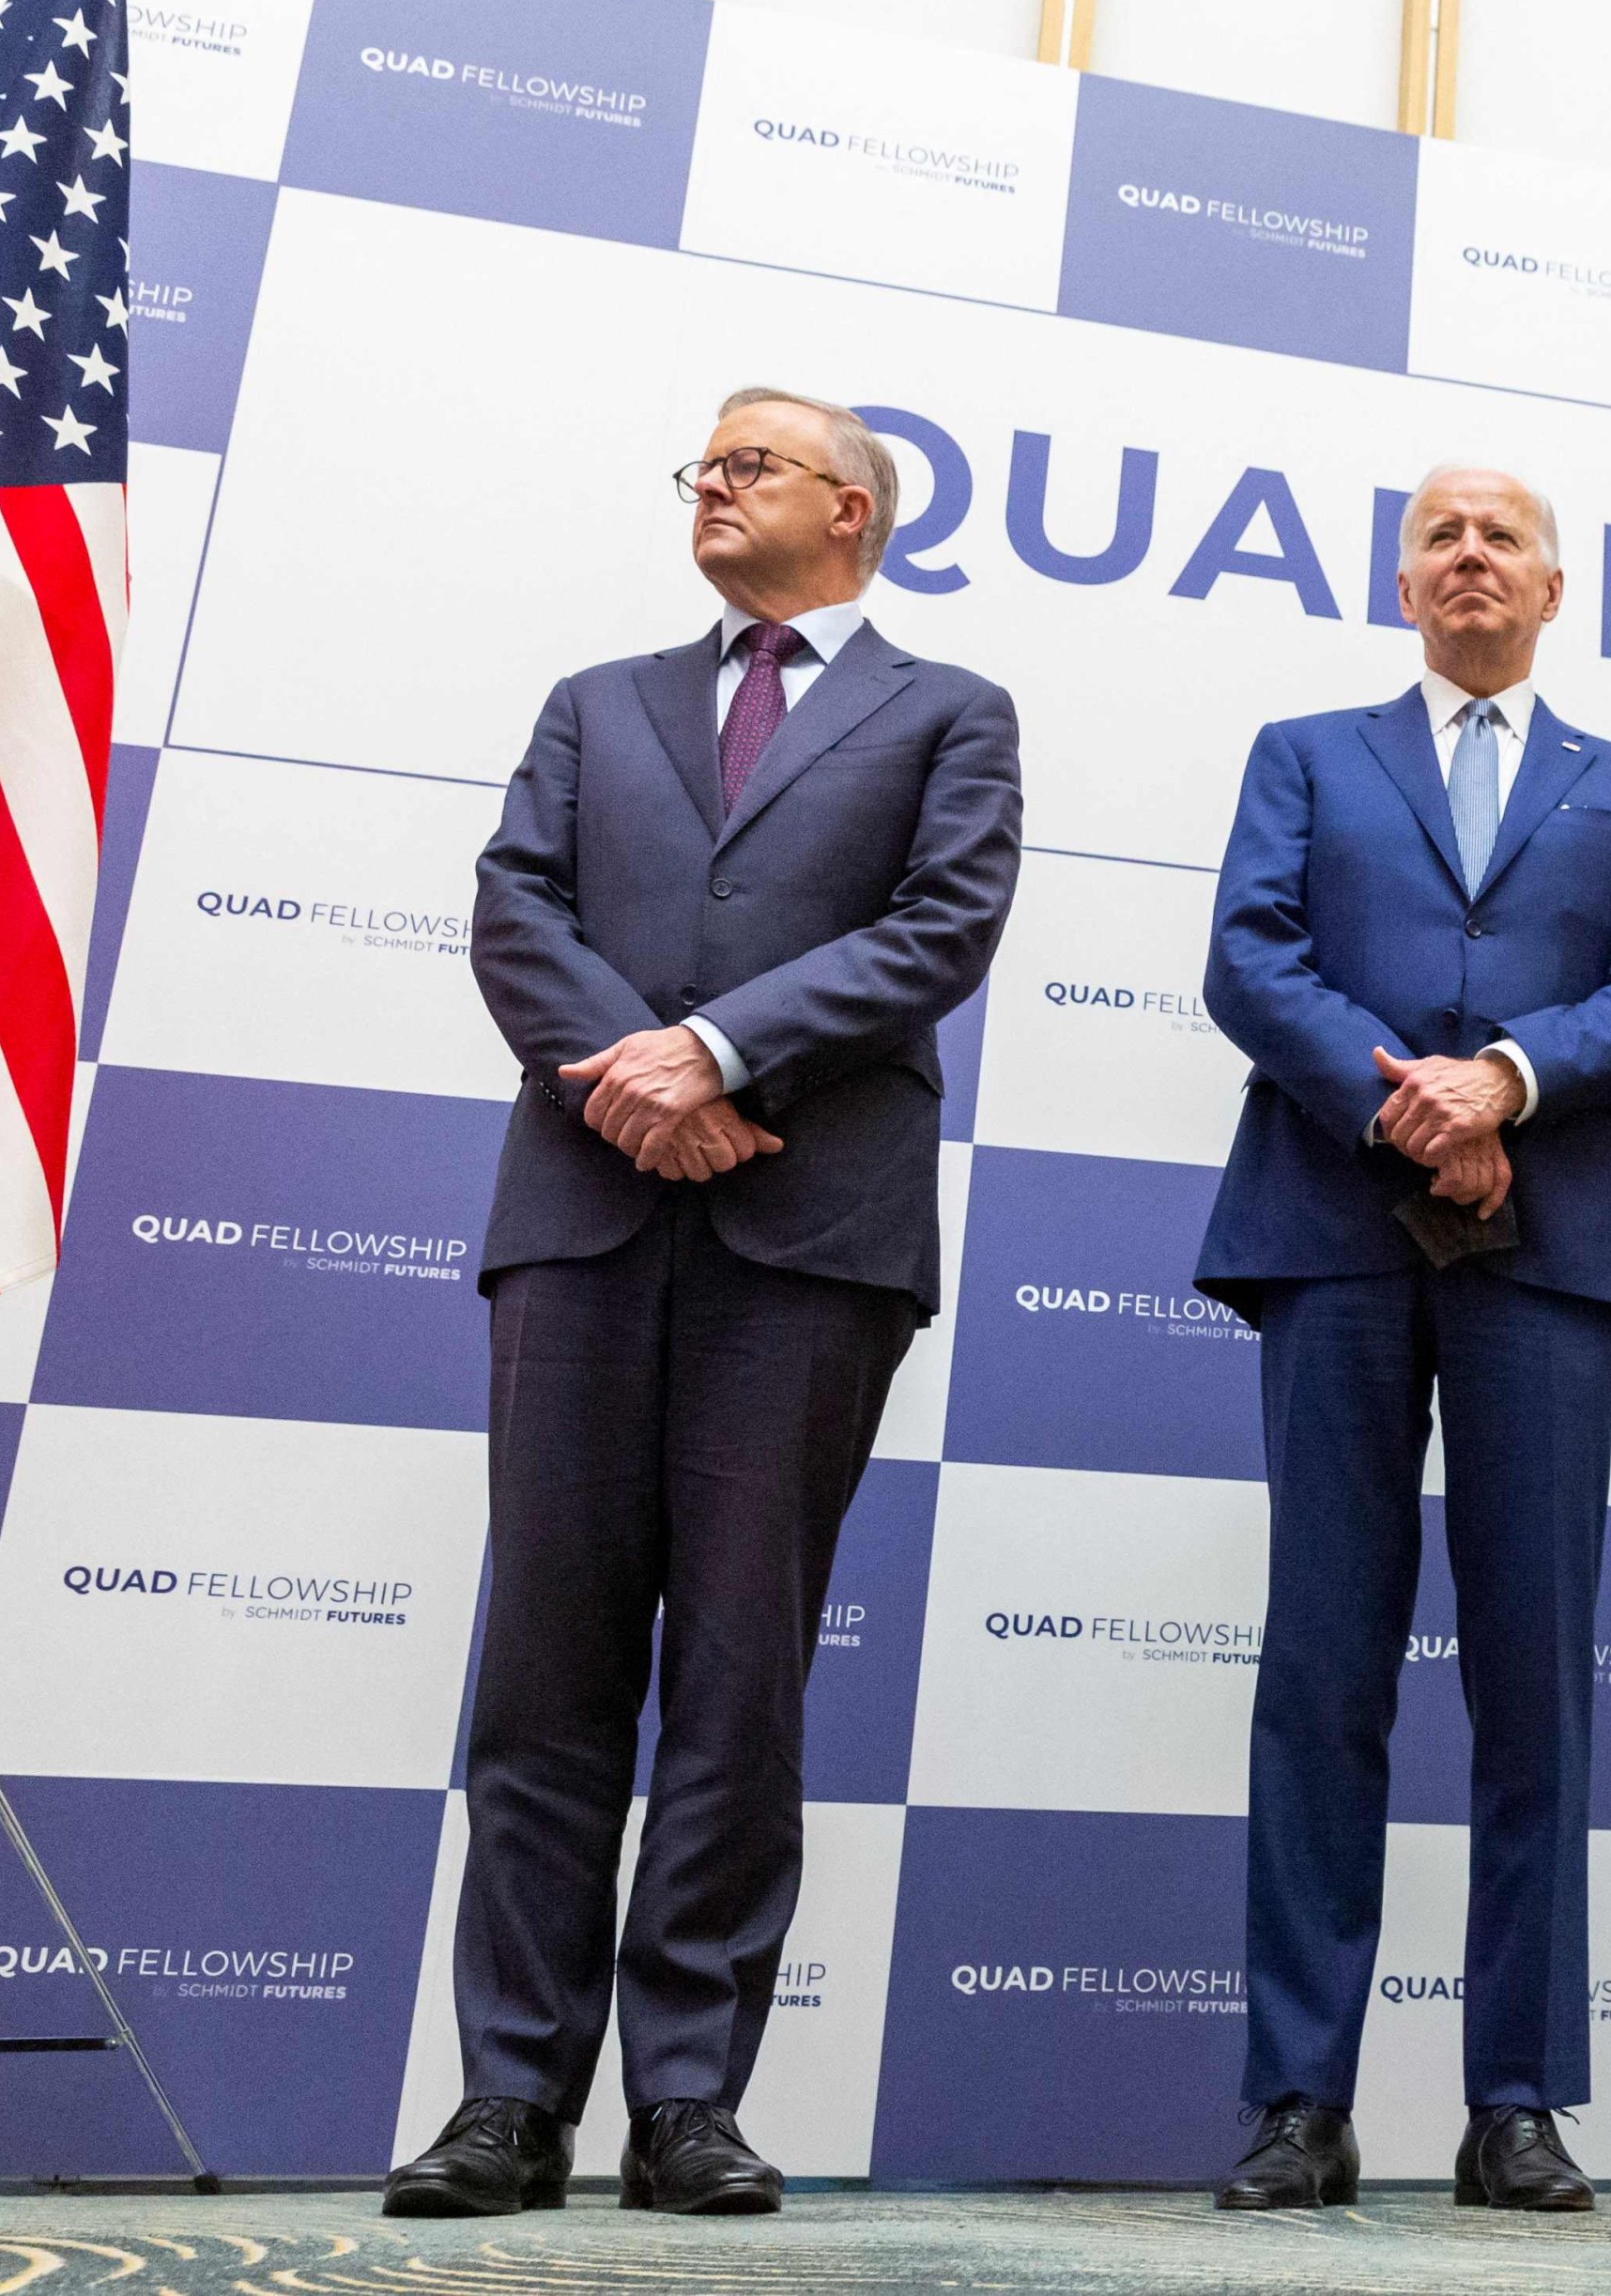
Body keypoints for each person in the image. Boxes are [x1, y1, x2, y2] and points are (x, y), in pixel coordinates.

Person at [390, 390, 1020, 2221]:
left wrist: (722, 1049)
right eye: (703, 466)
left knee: (741, 1681)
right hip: (585, 1212)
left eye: (746, 463)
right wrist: (634, 1078)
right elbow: (517, 906)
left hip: (807, 1235)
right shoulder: (598, 703)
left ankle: (687, 2102)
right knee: (547, 1675)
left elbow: (939, 928)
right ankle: (509, 2100)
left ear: (848, 507)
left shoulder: (951, 714)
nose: (711, 485)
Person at [1193, 462, 1611, 2214]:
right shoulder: (1306, 752)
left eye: (1504, 538)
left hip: (1548, 1245)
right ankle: (1295, 2100)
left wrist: (1509, 1079)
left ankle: (1515, 2099)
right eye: (1439, 537)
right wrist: (1405, 1096)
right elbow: (1249, 960)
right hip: (1333, 1230)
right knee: (1319, 1666)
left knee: (1536, 1684)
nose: (1469, 555)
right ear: (1403, 583)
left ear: (1555, 590)